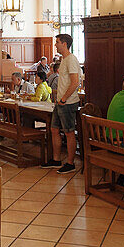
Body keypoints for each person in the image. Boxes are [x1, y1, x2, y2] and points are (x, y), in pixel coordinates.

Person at [44, 33, 82, 174]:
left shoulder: (71, 59)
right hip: (61, 102)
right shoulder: (63, 59)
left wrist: (64, 99)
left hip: (68, 102)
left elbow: (75, 82)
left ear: (64, 44)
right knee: (54, 129)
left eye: (57, 42)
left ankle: (70, 163)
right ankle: (56, 159)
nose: (55, 45)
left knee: (69, 132)